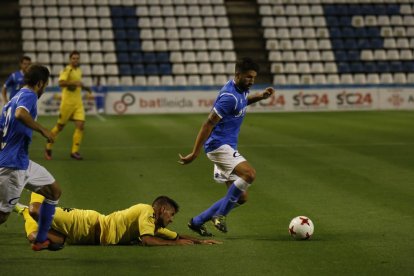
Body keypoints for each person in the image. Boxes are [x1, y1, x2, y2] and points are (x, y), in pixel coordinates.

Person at [179, 57, 275, 236]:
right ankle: (220, 215)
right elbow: (208, 124)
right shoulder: (228, 97)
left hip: (226, 146)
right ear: (237, 75)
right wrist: (194, 153)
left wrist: (259, 96)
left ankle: (197, 222)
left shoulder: (242, 89)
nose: (251, 81)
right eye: (248, 77)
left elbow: (242, 102)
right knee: (249, 174)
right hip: (219, 146)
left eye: (253, 77)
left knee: (240, 196)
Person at [15, 192, 221, 249]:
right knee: (36, 210)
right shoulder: (147, 211)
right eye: (171, 214)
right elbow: (148, 240)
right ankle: (36, 187)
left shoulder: (151, 223)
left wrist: (198, 241)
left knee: (39, 238)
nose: (172, 219)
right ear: (162, 209)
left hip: (82, 238)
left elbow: (173, 236)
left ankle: (20, 210)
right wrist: (176, 245)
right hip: (84, 223)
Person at [0, 64, 62, 251]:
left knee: (54, 192)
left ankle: (41, 240)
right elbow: (21, 114)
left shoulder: (13, 98)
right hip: (13, 166)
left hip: (21, 161)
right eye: (45, 85)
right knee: (2, 215)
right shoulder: (28, 95)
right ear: (40, 83)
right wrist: (43, 129)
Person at [45, 51, 91, 161]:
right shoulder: (66, 70)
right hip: (67, 104)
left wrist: (85, 88)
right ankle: (48, 147)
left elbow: (77, 84)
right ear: (70, 60)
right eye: (73, 58)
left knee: (80, 125)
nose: (75, 60)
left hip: (78, 103)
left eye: (77, 58)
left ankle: (74, 151)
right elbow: (61, 83)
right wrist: (74, 83)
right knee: (60, 127)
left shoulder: (78, 70)